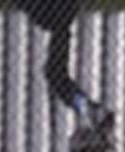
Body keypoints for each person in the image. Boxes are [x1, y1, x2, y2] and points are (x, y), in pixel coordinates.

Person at [15, 0, 113, 132]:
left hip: (57, 15)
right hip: (59, 19)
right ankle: (87, 108)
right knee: (55, 75)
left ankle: (88, 108)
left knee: (55, 75)